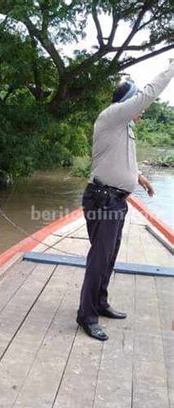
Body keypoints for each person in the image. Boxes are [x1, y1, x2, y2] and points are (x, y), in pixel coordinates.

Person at [77, 61, 173, 341]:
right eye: (137, 105)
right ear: (127, 103)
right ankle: (86, 315)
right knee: (99, 257)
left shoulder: (125, 128)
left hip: (116, 200)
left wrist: (139, 177)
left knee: (110, 255)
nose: (141, 110)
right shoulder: (112, 116)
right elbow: (149, 93)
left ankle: (100, 302)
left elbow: (119, 159)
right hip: (102, 200)